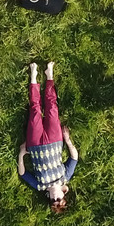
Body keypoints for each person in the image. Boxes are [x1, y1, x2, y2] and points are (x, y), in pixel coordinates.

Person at [18, 61, 80, 213]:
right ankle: (49, 75)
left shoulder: (40, 185)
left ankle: (33, 78)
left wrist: (21, 154)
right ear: (63, 192)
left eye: (52, 200)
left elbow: (23, 174)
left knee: (34, 110)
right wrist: (67, 139)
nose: (54, 198)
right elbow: (74, 158)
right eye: (58, 199)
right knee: (52, 107)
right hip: (55, 140)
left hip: (35, 143)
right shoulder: (65, 177)